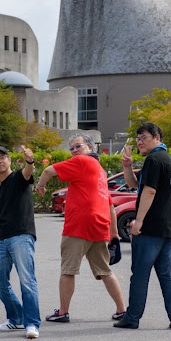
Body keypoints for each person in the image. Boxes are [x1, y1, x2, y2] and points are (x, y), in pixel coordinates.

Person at [35, 133, 126, 324]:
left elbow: (48, 171)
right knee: (104, 270)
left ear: (90, 148)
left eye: (79, 146)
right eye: (72, 148)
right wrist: (114, 232)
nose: (75, 151)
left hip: (79, 225)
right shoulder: (100, 170)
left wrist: (40, 186)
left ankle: (63, 312)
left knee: (68, 270)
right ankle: (121, 310)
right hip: (99, 225)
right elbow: (109, 204)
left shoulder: (82, 162)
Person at [114, 122, 171, 330]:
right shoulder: (166, 159)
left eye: (144, 137)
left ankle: (132, 317)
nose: (139, 141)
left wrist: (139, 222)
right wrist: (127, 166)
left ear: (157, 137)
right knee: (166, 273)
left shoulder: (154, 159)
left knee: (140, 273)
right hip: (168, 227)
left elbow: (149, 192)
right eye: (137, 138)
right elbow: (136, 185)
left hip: (151, 228)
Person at [0, 145, 41, 339]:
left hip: (22, 236)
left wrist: (30, 161)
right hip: (1, 241)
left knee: (27, 279)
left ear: (8, 160)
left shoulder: (18, 178)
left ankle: (31, 323)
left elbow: (28, 171)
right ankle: (16, 317)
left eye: (2, 157)